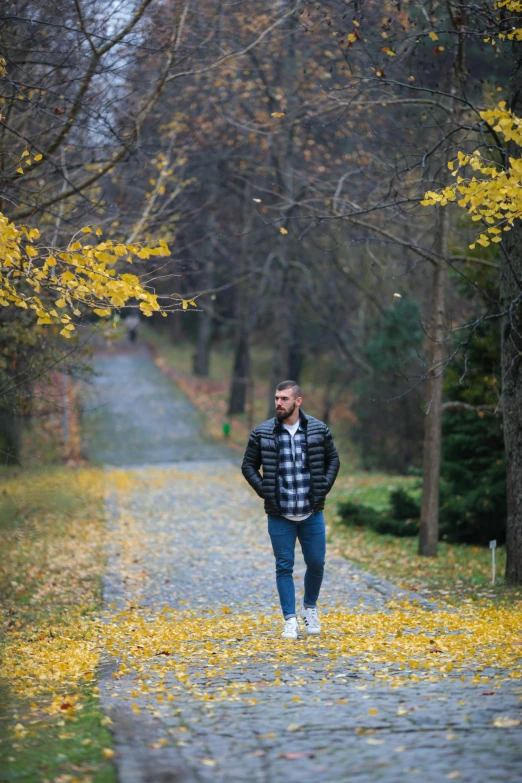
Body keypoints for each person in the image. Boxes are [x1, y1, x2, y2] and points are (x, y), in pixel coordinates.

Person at [241, 380, 340, 639]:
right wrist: (265, 490)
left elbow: (334, 460)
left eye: (284, 399)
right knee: (284, 566)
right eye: (276, 398)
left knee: (316, 563)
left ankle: (310, 608)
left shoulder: (318, 430)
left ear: (298, 401)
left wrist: (322, 488)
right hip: (280, 515)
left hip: (312, 512)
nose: (278, 403)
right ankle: (290, 619)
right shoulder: (262, 433)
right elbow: (248, 467)